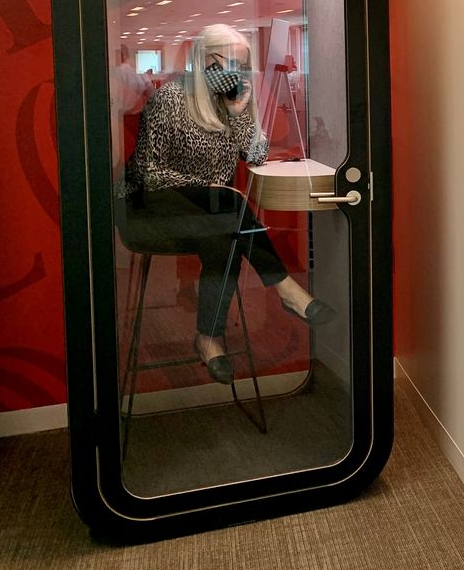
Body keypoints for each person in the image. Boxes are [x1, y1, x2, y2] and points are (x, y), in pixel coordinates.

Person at [120, 23, 336, 384]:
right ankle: (283, 289)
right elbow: (149, 174)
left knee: (226, 233)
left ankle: (210, 339)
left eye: (243, 65)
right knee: (227, 208)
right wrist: (204, 187)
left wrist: (238, 113)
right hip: (150, 206)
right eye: (230, 63)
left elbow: (256, 155)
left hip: (212, 214)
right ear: (205, 59)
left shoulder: (230, 101)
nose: (237, 72)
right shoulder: (170, 97)